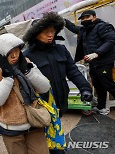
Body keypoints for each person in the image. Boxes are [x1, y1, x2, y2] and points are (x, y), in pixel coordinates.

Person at [23, 12, 92, 153]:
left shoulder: (61, 49)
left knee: (56, 128)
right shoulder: (27, 55)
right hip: (41, 106)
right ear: (35, 34)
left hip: (60, 101)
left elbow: (73, 71)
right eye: (46, 32)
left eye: (53, 32)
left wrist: (85, 88)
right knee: (42, 138)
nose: (50, 35)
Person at [0, 33, 50, 154]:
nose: (15, 55)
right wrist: (7, 77)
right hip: (11, 128)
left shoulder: (26, 63)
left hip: (35, 121)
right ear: (2, 53)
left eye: (17, 50)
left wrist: (27, 71)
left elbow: (45, 87)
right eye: (10, 52)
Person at [65, 10, 115, 115]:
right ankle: (101, 107)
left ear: (94, 16)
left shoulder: (103, 26)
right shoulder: (84, 30)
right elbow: (74, 28)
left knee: (108, 84)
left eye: (87, 17)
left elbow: (110, 41)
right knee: (98, 85)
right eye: (82, 18)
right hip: (93, 63)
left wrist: (97, 53)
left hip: (103, 62)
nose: (84, 20)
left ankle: (102, 106)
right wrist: (62, 20)